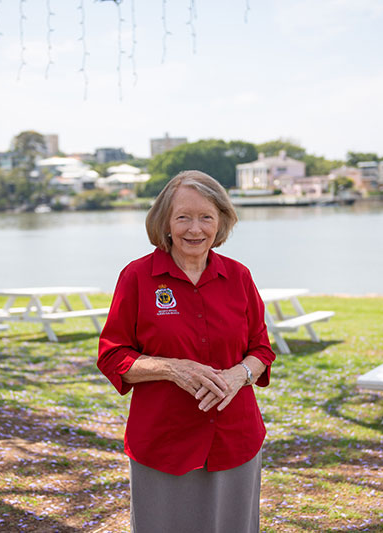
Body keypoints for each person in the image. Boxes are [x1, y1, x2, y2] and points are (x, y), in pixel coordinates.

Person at [97, 170, 276, 533]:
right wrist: (170, 368)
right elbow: (113, 355)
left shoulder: (238, 276)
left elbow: (261, 349)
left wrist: (237, 374)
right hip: (163, 442)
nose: (195, 229)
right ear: (164, 221)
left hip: (235, 439)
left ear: (221, 221)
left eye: (206, 217)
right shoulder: (137, 277)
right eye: (183, 217)